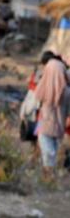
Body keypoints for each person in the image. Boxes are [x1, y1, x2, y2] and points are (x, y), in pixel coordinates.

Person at [34, 50, 70, 180]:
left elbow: (36, 105)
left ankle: (48, 182)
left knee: (49, 156)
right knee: (50, 155)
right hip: (54, 129)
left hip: (45, 127)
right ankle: (48, 181)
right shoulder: (66, 91)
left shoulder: (44, 86)